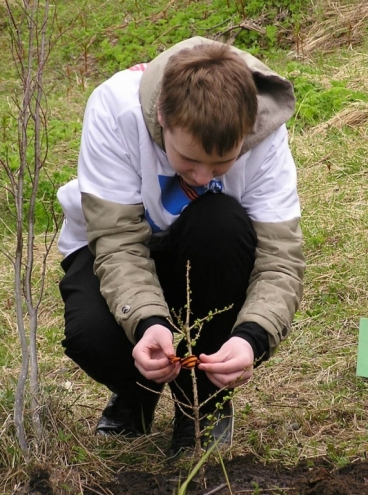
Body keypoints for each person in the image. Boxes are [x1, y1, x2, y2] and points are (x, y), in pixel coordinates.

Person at [56, 36, 305, 458]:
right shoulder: (115, 110)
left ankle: (203, 404)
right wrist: (148, 322)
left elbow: (280, 259)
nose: (203, 175)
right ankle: (136, 391)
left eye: (222, 163)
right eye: (188, 159)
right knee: (91, 335)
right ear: (160, 117)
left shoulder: (264, 134)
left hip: (205, 248)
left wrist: (251, 339)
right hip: (115, 251)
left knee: (220, 221)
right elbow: (116, 243)